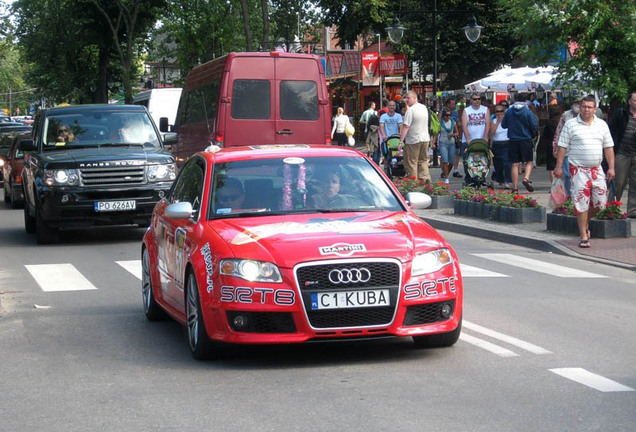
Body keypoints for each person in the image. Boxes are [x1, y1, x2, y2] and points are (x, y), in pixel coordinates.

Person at [554, 95, 615, 249]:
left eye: (589, 107)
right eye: (584, 106)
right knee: (581, 201)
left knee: (600, 202)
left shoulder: (602, 125)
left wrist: (612, 167)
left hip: (597, 168)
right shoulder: (570, 124)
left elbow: (608, 147)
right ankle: (583, 235)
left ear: (595, 109)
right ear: (579, 108)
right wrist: (559, 166)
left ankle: (584, 221)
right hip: (578, 169)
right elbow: (562, 147)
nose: (586, 110)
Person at [502, 93, 538, 192]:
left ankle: (515, 187)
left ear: (515, 99)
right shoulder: (527, 111)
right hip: (525, 139)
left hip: (513, 140)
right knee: (529, 161)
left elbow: (503, 125)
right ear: (526, 100)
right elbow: (534, 125)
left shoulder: (509, 111)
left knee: (514, 163)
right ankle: (526, 178)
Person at [609, 91, 636, 218]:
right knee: (619, 181)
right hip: (622, 152)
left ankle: (633, 210)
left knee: (635, 183)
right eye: (635, 100)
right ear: (630, 101)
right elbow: (612, 132)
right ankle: (611, 208)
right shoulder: (621, 114)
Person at [398, 91, 431, 182]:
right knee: (423, 161)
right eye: (405, 98)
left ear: (415, 98)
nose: (406, 100)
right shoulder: (424, 108)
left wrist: (401, 141)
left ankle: (413, 184)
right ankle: (426, 182)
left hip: (413, 140)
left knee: (411, 163)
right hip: (425, 139)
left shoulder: (410, 110)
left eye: (408, 98)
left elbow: (406, 126)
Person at [552, 100, 581, 198]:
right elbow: (559, 131)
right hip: (567, 150)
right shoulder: (566, 115)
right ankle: (569, 197)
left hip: (582, 151)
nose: (577, 105)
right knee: (568, 175)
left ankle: (578, 196)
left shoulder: (590, 115)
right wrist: (556, 148)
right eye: (575, 102)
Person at [461, 93, 491, 184]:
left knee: (483, 160)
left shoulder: (485, 109)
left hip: (481, 140)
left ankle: (481, 177)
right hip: (469, 141)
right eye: (474, 99)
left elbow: (487, 124)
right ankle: (469, 180)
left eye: (478, 99)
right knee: (468, 161)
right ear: (471, 100)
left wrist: (485, 137)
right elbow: (464, 125)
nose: (477, 101)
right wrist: (468, 139)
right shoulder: (467, 110)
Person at [489, 103, 512, 189]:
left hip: (506, 142)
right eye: (497, 112)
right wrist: (498, 122)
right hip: (497, 143)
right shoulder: (494, 121)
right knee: (498, 164)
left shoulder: (508, 120)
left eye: (501, 111)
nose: (499, 113)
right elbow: (491, 133)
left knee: (507, 163)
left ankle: (507, 181)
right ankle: (500, 180)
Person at [437, 109, 459, 184]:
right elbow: (436, 133)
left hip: (452, 143)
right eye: (446, 115)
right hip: (443, 142)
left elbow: (457, 132)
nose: (448, 117)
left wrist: (453, 135)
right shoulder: (440, 123)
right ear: (443, 116)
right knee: (445, 160)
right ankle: (446, 177)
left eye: (449, 115)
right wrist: (433, 142)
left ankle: (445, 172)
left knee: (452, 162)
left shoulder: (453, 122)